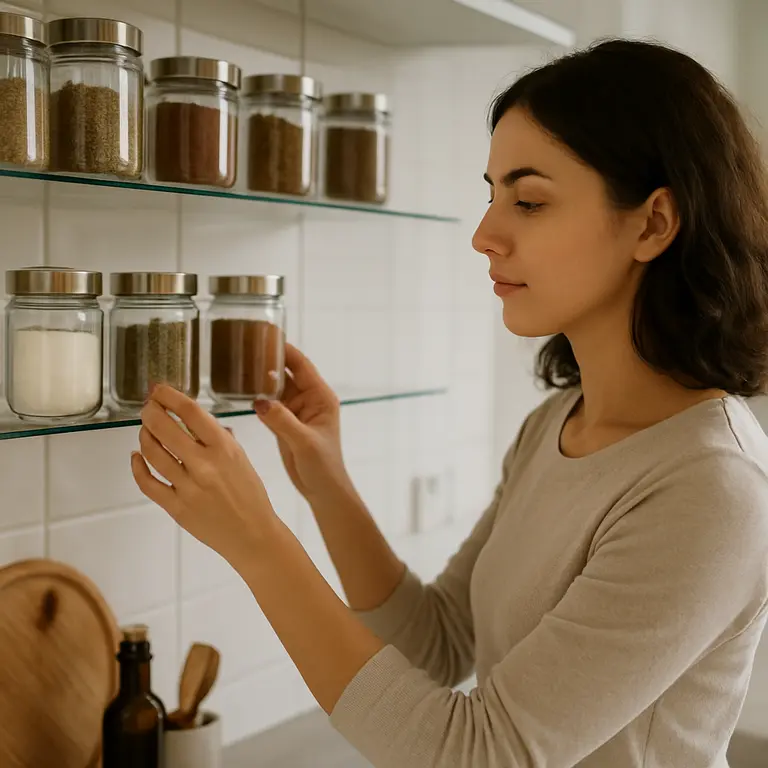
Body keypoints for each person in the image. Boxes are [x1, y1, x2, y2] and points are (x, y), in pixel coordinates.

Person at [131, 39, 768, 768]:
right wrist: (327, 486)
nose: (485, 235)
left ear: (653, 223)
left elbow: (480, 753)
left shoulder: (711, 488)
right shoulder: (556, 426)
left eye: (528, 201)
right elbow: (436, 645)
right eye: (492, 195)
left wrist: (257, 539)